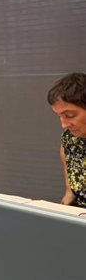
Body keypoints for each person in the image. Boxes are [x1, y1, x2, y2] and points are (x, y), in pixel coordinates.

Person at [47, 72, 86, 207]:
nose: (64, 125)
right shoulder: (70, 137)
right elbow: (65, 150)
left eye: (69, 115)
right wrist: (69, 189)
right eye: (59, 116)